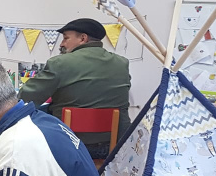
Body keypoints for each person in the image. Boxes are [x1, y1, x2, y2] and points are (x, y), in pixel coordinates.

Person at [18, 18, 132, 159]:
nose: (62, 44)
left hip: (69, 147)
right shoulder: (122, 63)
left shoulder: (60, 63)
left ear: (83, 38)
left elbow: (25, 98)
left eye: (66, 38)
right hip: (114, 148)